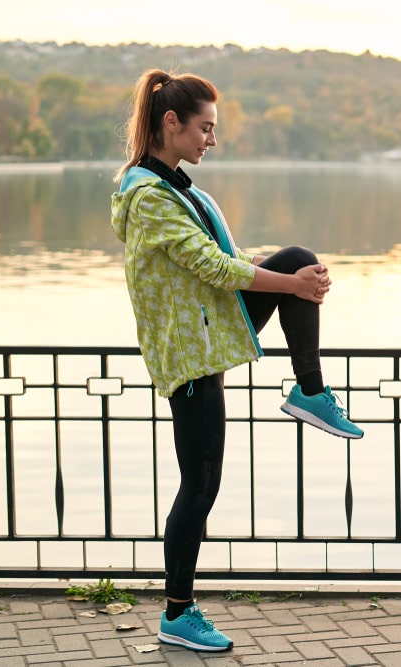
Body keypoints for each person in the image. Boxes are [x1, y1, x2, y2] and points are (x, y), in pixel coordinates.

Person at [110, 68, 363, 653]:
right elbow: (211, 267)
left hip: (212, 329)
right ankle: (177, 613)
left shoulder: (178, 187)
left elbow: (227, 257)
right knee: (198, 488)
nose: (211, 141)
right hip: (190, 355)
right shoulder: (148, 197)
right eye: (205, 128)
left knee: (298, 257)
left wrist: (292, 279)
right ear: (169, 123)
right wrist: (291, 286)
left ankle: (309, 392)